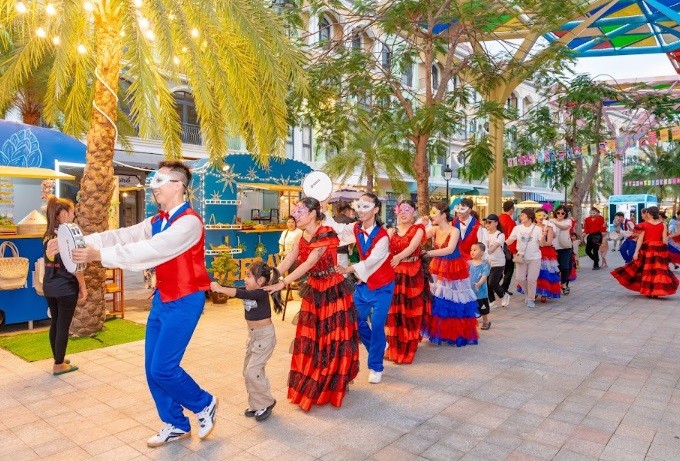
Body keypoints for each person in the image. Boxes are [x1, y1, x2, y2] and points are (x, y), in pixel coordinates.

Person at [55, 161, 218, 447]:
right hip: (162, 300)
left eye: (160, 181)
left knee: (163, 369)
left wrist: (98, 255)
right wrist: (74, 241)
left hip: (185, 301)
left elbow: (150, 250)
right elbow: (122, 235)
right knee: (151, 368)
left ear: (178, 185)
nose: (154, 187)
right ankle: (175, 423)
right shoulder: (157, 220)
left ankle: (204, 403)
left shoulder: (189, 222)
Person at [265, 197, 359, 409]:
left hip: (332, 290)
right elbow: (290, 259)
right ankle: (316, 377)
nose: (295, 215)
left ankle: (333, 380)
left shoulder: (325, 233)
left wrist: (283, 283)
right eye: (295, 211)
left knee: (332, 338)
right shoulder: (301, 236)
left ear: (313, 213)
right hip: (314, 289)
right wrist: (271, 274)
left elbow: (309, 263)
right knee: (313, 338)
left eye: (299, 211)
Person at [333, 193, 395, 384]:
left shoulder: (383, 237)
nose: (360, 210)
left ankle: (376, 366)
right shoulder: (356, 227)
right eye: (358, 206)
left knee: (377, 325)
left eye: (365, 206)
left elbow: (371, 262)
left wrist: (348, 269)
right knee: (355, 321)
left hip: (383, 286)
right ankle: (378, 345)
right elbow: (339, 231)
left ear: (376, 210)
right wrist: (324, 205)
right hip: (365, 285)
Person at [210, 261, 282, 422]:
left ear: (261, 281)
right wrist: (219, 287)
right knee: (248, 371)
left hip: (265, 337)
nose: (244, 279)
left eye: (248, 276)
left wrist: (220, 289)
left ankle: (265, 403)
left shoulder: (260, 293)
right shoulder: (249, 290)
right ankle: (257, 404)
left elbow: (240, 294)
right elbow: (238, 291)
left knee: (253, 371)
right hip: (254, 337)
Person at [422, 202, 479, 346]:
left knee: (454, 300)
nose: (431, 215)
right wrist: (421, 225)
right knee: (438, 298)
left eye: (434, 213)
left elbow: (449, 249)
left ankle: (456, 333)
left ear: (443, 215)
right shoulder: (434, 229)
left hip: (453, 268)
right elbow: (418, 236)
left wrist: (427, 253)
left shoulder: (454, 230)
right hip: (437, 266)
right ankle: (440, 332)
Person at [42, 196, 87, 376]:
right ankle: (59, 365)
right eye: (72, 211)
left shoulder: (48, 234)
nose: (73, 215)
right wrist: (83, 286)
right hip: (66, 288)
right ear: (62, 213)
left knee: (55, 323)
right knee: (63, 326)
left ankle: (58, 358)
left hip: (50, 287)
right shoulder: (68, 235)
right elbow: (77, 265)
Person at [386, 200, 429, 364]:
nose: (403, 213)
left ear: (414, 212)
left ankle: (408, 348)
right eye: (400, 210)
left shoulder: (418, 229)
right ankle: (394, 347)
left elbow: (412, 248)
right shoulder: (391, 231)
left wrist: (397, 257)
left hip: (411, 273)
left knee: (409, 312)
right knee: (394, 311)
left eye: (407, 210)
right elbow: (384, 249)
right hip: (394, 272)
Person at [611, 206, 679, 297]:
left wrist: (636, 252)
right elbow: (664, 240)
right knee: (657, 271)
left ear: (649, 214)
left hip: (647, 250)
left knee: (646, 270)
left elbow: (640, 240)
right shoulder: (663, 224)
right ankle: (656, 292)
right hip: (659, 250)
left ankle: (647, 290)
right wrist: (665, 252)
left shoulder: (644, 225)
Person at [505, 208, 542, 308]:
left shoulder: (537, 229)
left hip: (535, 258)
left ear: (529, 217)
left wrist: (544, 235)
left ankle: (531, 299)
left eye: (523, 215)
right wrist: (500, 243)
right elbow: (510, 240)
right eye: (521, 215)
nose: (520, 217)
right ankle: (528, 294)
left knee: (531, 279)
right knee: (520, 278)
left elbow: (542, 244)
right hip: (521, 257)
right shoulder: (517, 228)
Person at [534, 209, 561, 302]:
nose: (541, 217)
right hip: (534, 251)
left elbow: (548, 243)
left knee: (545, 272)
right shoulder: (532, 227)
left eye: (544, 215)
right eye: (539, 215)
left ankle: (544, 292)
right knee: (534, 272)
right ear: (535, 217)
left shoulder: (549, 228)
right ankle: (534, 291)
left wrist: (543, 235)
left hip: (546, 252)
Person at [483, 214, 510, 308]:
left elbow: (493, 248)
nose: (487, 224)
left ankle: (504, 295)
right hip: (487, 262)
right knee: (486, 283)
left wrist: (484, 252)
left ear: (496, 223)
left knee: (492, 282)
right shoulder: (484, 233)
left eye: (489, 222)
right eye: (486, 222)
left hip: (498, 262)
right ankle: (492, 301)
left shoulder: (500, 235)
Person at [550, 205, 573, 295]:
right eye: (558, 212)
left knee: (565, 267)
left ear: (565, 214)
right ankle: (557, 284)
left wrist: (554, 223)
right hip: (554, 247)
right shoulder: (551, 221)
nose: (560, 214)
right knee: (556, 268)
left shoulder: (568, 221)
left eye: (562, 213)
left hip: (565, 247)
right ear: (555, 213)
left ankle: (564, 284)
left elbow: (565, 227)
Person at [469, 242, 491, 330]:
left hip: (481, 292)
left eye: (475, 250)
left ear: (482, 252)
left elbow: (484, 276)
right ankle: (471, 322)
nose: (472, 252)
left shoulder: (484, 265)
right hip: (470, 291)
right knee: (471, 307)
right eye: (471, 250)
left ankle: (486, 321)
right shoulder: (468, 263)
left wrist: (479, 284)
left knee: (483, 308)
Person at [498, 200, 517, 295]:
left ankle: (495, 285)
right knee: (509, 270)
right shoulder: (510, 222)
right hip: (507, 248)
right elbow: (512, 237)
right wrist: (514, 250)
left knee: (499, 268)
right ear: (511, 209)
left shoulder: (498, 218)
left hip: (497, 247)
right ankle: (504, 288)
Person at [333, 202, 356, 268]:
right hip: (343, 252)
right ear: (347, 211)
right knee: (343, 274)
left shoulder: (332, 220)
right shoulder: (351, 221)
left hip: (332, 252)